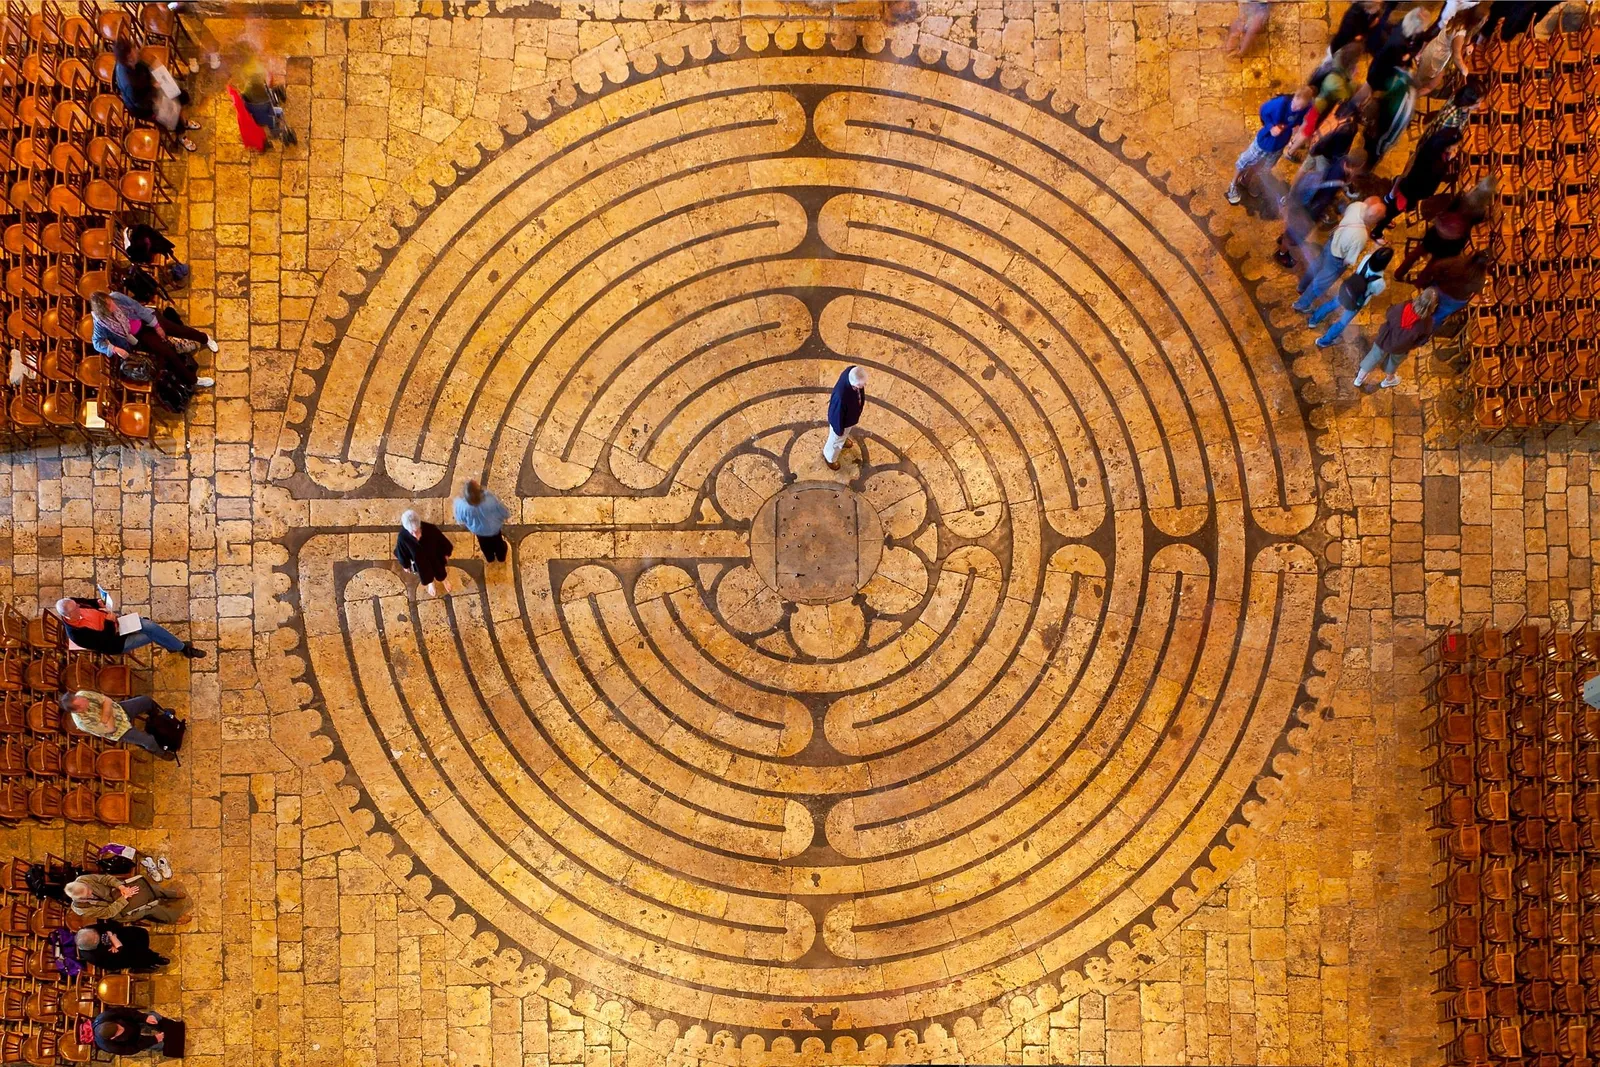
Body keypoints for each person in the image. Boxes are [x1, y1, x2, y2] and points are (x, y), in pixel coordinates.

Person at [89, 290, 215, 413]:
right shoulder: (101, 323)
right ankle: (194, 380)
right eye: (109, 306)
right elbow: (97, 342)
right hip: (139, 336)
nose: (112, 305)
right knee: (169, 353)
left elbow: (138, 308)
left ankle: (204, 338)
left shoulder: (116, 297)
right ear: (103, 311)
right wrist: (114, 348)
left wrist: (157, 326)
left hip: (146, 319)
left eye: (110, 302)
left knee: (178, 330)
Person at [1294, 197, 1385, 312]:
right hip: (1336, 259)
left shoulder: (1357, 205)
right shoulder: (1361, 236)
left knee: (1316, 265)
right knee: (1320, 283)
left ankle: (1302, 287)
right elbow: (1348, 259)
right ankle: (1301, 304)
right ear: (1373, 219)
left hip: (1332, 241)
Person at [1227, 86, 1314, 205]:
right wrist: (1271, 127)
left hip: (1278, 145)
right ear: (1294, 97)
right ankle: (1233, 184)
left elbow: (1302, 121)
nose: (1296, 109)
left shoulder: (1304, 108)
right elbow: (1263, 110)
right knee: (1245, 161)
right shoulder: (1279, 103)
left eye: (1300, 107)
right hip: (1264, 142)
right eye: (1295, 105)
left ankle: (1246, 180)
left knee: (1263, 165)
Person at [113, 38, 199, 152]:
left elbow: (143, 65)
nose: (137, 51)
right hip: (145, 107)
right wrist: (157, 96)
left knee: (180, 95)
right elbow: (140, 102)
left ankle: (184, 122)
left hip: (150, 89)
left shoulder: (131, 62)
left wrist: (156, 73)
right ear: (129, 59)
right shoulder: (129, 82)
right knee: (173, 112)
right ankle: (181, 137)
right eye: (134, 52)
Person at [55, 596, 205, 659]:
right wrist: (109, 621)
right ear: (68, 615)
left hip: (119, 623)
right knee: (152, 632)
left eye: (78, 606)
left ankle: (178, 647)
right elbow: (106, 641)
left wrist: (97, 602)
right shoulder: (77, 635)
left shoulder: (72, 603)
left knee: (149, 626)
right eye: (77, 610)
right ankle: (181, 648)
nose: (80, 608)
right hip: (117, 642)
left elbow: (85, 602)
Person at [1355, 286, 1439, 389]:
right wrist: (1412, 345)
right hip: (1402, 347)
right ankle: (1388, 380)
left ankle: (1359, 379)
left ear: (1420, 296)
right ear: (1432, 306)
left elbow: (1389, 313)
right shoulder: (1427, 323)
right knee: (1393, 362)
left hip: (1385, 338)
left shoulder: (1404, 306)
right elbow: (1422, 339)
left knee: (1373, 356)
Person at [1307, 246, 1393, 347]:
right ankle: (1324, 341)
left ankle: (1313, 320)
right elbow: (1375, 292)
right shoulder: (1380, 282)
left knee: (1331, 304)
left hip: (1348, 289)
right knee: (1342, 322)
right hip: (1356, 301)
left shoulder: (1367, 258)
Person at [59, 691, 178, 759]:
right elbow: (111, 728)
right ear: (77, 710)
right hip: (119, 730)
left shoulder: (82, 694)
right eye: (82, 704)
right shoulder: (83, 723)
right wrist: (107, 709)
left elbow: (107, 699)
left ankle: (157, 715)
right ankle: (159, 752)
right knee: (148, 740)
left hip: (119, 709)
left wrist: (106, 715)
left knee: (145, 700)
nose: (86, 701)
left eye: (82, 699)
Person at [64, 873, 192, 924]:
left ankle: (170, 894)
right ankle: (174, 918)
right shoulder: (81, 909)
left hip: (117, 892)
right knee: (149, 908)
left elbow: (106, 879)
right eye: (88, 894)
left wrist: (121, 887)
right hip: (118, 912)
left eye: (88, 888)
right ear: (80, 899)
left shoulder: (82, 880)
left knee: (150, 888)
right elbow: (109, 913)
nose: (91, 891)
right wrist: (124, 898)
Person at [1416, 249, 1491, 321]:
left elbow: (1437, 266)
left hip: (1441, 288)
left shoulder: (1459, 261)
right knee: (1438, 316)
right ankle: (1428, 327)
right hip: (1454, 300)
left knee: (1425, 301)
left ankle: (1416, 311)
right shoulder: (1480, 280)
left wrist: (1439, 278)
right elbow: (1477, 292)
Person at [395, 510, 453, 597]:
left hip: (435, 557)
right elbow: (402, 552)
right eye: (411, 532)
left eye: (417, 531)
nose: (415, 535)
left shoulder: (430, 529)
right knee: (426, 574)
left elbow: (442, 541)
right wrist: (405, 565)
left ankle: (444, 580)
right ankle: (431, 583)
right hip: (420, 562)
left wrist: (446, 553)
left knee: (440, 571)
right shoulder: (403, 537)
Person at [75, 921, 170, 972]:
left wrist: (113, 936)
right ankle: (155, 959)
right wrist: (116, 945)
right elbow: (112, 964)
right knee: (139, 955)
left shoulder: (88, 931)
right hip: (120, 957)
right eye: (97, 939)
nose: (98, 935)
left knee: (140, 934)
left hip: (119, 936)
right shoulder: (93, 956)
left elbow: (108, 926)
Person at [453, 480, 510, 563]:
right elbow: (500, 509)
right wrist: (506, 515)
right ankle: (501, 558)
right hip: (493, 529)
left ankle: (490, 558)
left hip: (479, 531)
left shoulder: (461, 505)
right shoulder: (489, 499)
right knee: (498, 544)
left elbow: (460, 519)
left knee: (484, 545)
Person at [823, 365, 867, 471]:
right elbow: (836, 416)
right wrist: (839, 431)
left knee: (842, 436)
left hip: (849, 418)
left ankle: (842, 440)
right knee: (835, 441)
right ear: (854, 383)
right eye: (861, 385)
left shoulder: (852, 372)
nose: (864, 386)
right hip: (841, 424)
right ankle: (830, 458)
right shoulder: (841, 397)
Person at [92, 1007, 183, 1057]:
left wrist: (144, 1018)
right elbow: (132, 1049)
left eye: (118, 1026)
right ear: (112, 1038)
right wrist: (154, 1039)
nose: (122, 1028)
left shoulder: (105, 1016)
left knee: (155, 1016)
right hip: (134, 1041)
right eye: (118, 1031)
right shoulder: (109, 1046)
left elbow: (127, 1012)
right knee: (161, 1045)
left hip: (134, 1023)